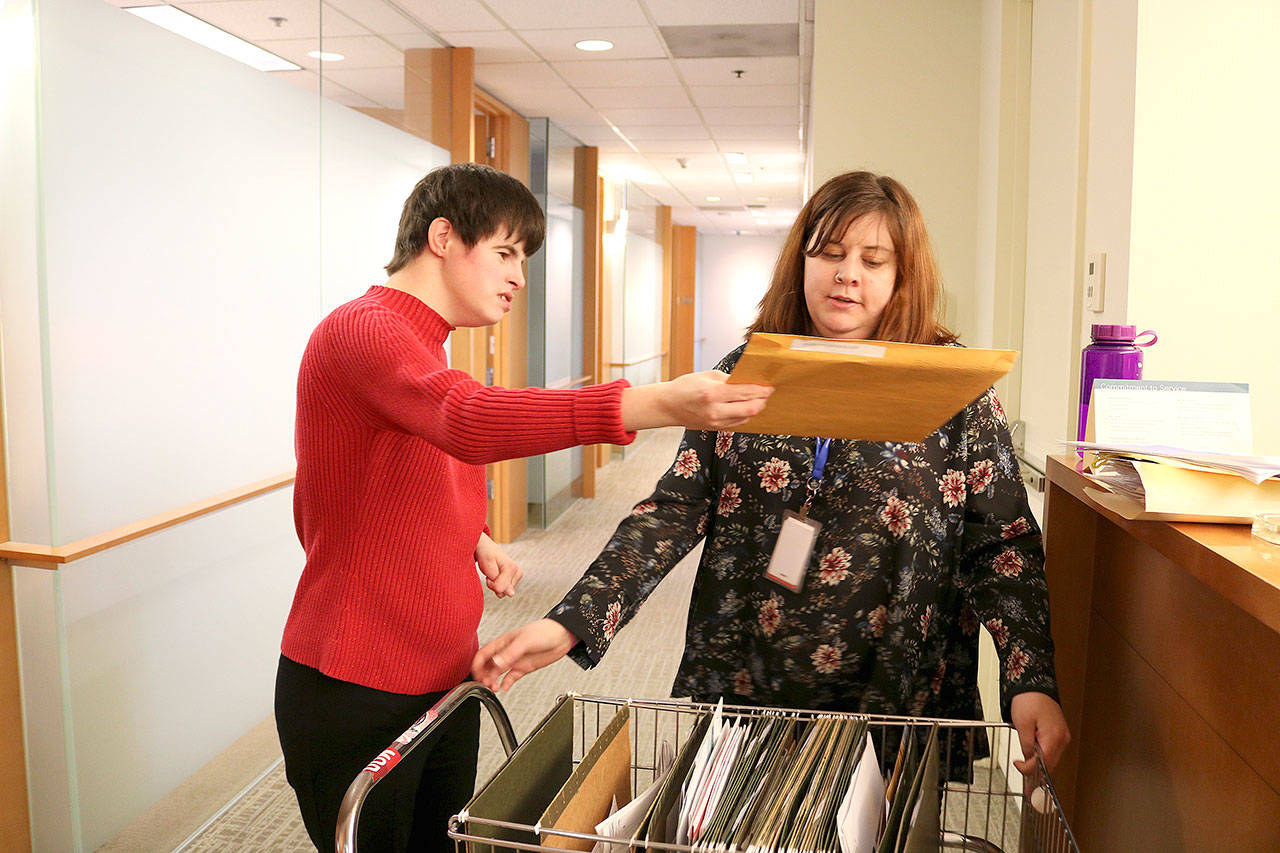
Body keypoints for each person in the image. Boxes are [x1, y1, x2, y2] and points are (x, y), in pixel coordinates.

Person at [471, 170, 1070, 780]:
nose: (847, 274)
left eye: (873, 260)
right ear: (801, 260)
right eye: (829, 253)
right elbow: (676, 508)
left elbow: (1003, 548)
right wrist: (573, 620)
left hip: (897, 688)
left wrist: (1030, 679)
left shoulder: (952, 388)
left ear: (903, 274)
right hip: (752, 678)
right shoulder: (749, 371)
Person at [274, 162, 773, 853]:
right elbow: (465, 420)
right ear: (442, 238)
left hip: (445, 674)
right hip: (356, 680)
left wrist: (474, 535)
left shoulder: (424, 344)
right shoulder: (365, 329)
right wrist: (656, 402)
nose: (518, 277)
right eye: (505, 253)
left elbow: (406, 463)